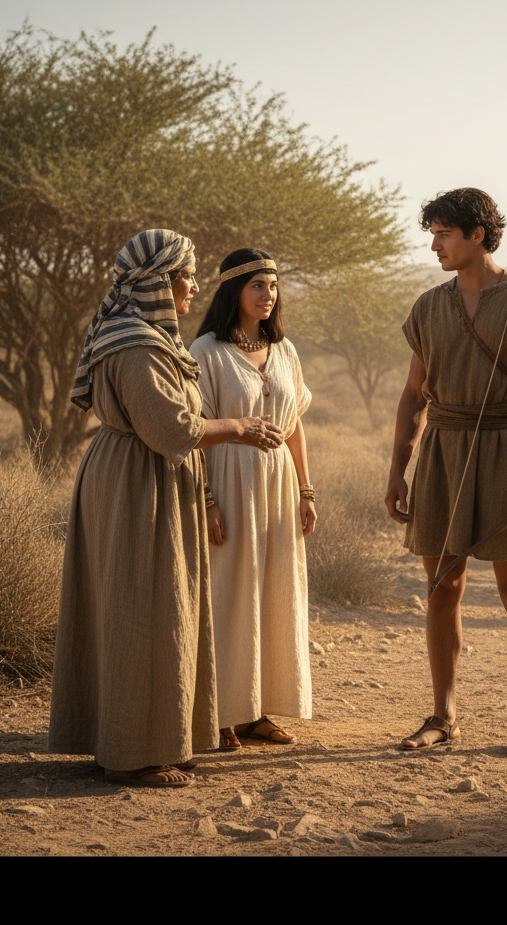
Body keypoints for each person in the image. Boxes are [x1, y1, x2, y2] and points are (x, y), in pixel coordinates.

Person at [49, 229, 284, 788]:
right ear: (159, 282)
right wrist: (239, 427)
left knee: (152, 608)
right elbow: (170, 427)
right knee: (141, 610)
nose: (194, 287)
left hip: (145, 477)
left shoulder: (142, 336)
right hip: (137, 482)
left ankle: (143, 742)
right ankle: (133, 755)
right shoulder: (135, 345)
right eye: (186, 276)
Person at [385, 188, 507, 757]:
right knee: (442, 590)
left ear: (478, 237)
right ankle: (442, 715)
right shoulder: (427, 307)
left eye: (444, 233)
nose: (434, 244)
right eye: (432, 233)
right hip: (442, 450)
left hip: (506, 450)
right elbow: (414, 395)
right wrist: (398, 469)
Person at [190, 249, 315, 750]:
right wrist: (207, 500)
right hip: (228, 480)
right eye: (257, 286)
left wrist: (307, 491)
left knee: (273, 591)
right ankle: (219, 713)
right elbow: (194, 431)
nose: (268, 295)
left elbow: (295, 426)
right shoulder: (206, 351)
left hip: (279, 486)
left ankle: (256, 712)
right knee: (227, 593)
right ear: (233, 292)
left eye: (273, 285)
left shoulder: (283, 350)